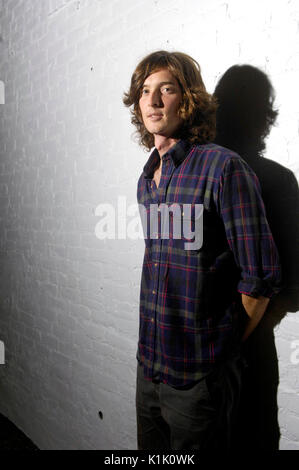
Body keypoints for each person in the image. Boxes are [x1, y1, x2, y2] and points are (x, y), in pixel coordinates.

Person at [123, 50, 281, 451]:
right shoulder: (147, 179)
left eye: (166, 89)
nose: (153, 101)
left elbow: (260, 280)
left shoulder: (223, 168)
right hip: (149, 367)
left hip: (198, 378)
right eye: (145, 91)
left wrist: (217, 356)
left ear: (188, 98)